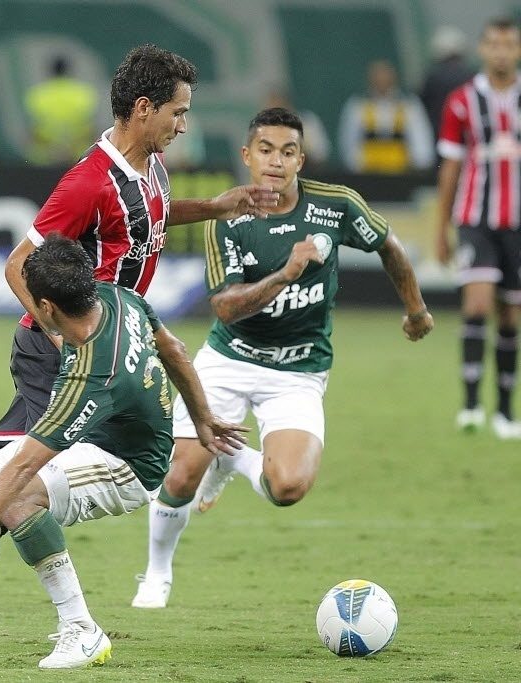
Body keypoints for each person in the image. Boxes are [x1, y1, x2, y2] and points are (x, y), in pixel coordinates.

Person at [0, 44, 278, 655]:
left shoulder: (153, 167)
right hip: (65, 354)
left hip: (115, 345)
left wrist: (213, 208)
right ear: (143, 109)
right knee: (15, 485)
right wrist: (62, 338)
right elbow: (17, 266)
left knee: (10, 487)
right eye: (178, 111)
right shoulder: (89, 181)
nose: (184, 123)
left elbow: (151, 221)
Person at [0, 234, 246, 668]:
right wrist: (203, 417)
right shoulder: (121, 297)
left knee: (16, 499)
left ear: (45, 308)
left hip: (129, 465)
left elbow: (24, 468)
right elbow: (173, 349)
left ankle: (82, 630)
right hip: (112, 436)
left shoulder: (88, 378)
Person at [131, 107, 434, 609]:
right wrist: (286, 275)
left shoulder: (335, 205)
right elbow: (225, 308)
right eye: (266, 151)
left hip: (299, 370)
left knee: (288, 486)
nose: (276, 162)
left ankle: (229, 457)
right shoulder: (229, 217)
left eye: (288, 152)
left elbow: (389, 245)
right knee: (181, 474)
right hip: (230, 360)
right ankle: (157, 572)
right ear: (247, 156)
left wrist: (416, 310)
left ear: (301, 159)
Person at [435, 17, 521, 439]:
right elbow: (451, 166)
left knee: (510, 317)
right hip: (474, 221)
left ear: (517, 50)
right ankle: (471, 405)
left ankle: (505, 412)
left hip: (518, 227)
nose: (501, 52)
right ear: (483, 50)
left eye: (508, 45)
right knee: (477, 306)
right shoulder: (462, 101)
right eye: (494, 45)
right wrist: (441, 226)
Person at [338, 60, 433, 173]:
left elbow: (420, 138)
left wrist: (419, 165)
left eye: (385, 76)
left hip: (402, 173)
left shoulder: (409, 106)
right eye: (377, 76)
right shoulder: (358, 106)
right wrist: (355, 167)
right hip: (367, 173)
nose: (381, 80)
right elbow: (349, 141)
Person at [23, 55, 98, 165]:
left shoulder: (37, 94)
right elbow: (91, 127)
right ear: (69, 70)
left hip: (45, 158)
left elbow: (32, 130)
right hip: (78, 156)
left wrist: (53, 149)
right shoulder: (84, 93)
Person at [419, 26, 474, 148]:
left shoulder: (431, 77)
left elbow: (423, 103)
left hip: (440, 136)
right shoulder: (471, 76)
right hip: (468, 139)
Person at [263, 86, 331, 168]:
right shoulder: (260, 130)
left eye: (279, 105)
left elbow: (321, 154)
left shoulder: (307, 123)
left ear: (287, 104)